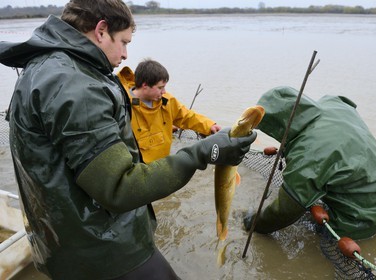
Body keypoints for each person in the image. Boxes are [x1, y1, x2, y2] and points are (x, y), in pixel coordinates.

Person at [0, 1, 257, 279]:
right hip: (103, 248)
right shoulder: (73, 82)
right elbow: (120, 187)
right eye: (123, 42)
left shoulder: (43, 67)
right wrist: (202, 153)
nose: (125, 55)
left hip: (60, 245)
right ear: (101, 30)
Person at [244, 86, 376, 240]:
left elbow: (284, 212)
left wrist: (252, 223)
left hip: (364, 217)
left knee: (319, 235)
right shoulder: (333, 103)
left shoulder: (308, 156)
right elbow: (347, 102)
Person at [117, 59, 222, 163]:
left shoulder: (166, 101)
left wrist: (210, 125)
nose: (164, 92)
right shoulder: (122, 104)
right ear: (145, 85)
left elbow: (186, 116)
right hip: (136, 169)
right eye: (160, 87)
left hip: (162, 165)